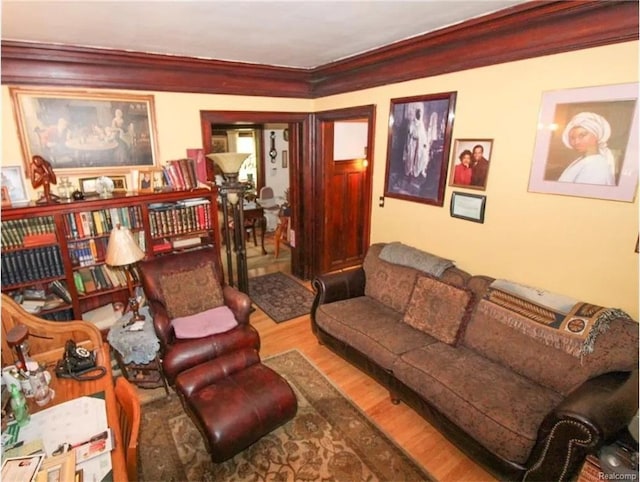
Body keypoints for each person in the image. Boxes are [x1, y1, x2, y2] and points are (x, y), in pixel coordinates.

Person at [557, 112, 615, 185]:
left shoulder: (596, 164)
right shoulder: (585, 160)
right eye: (572, 138)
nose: (576, 142)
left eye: (582, 135)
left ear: (597, 134)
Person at [403, 107, 430, 178]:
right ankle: (410, 171)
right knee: (411, 156)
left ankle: (416, 170)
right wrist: (410, 129)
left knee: (418, 156)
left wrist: (424, 144)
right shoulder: (412, 122)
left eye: (420, 114)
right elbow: (410, 132)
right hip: (412, 142)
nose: (419, 115)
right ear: (416, 114)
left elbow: (423, 135)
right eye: (418, 113)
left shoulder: (421, 124)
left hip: (419, 143)